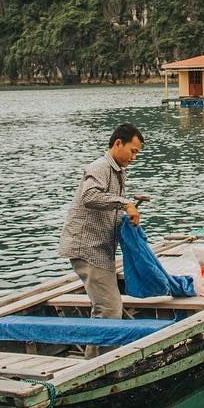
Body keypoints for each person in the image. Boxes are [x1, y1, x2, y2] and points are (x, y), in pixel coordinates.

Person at [58, 123, 145, 342]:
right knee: (109, 308)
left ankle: (95, 357)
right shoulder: (100, 167)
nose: (134, 157)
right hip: (88, 248)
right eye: (132, 151)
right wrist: (125, 203)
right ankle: (99, 364)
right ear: (118, 143)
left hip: (100, 249)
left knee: (104, 307)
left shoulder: (117, 171)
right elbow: (90, 197)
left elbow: (106, 205)